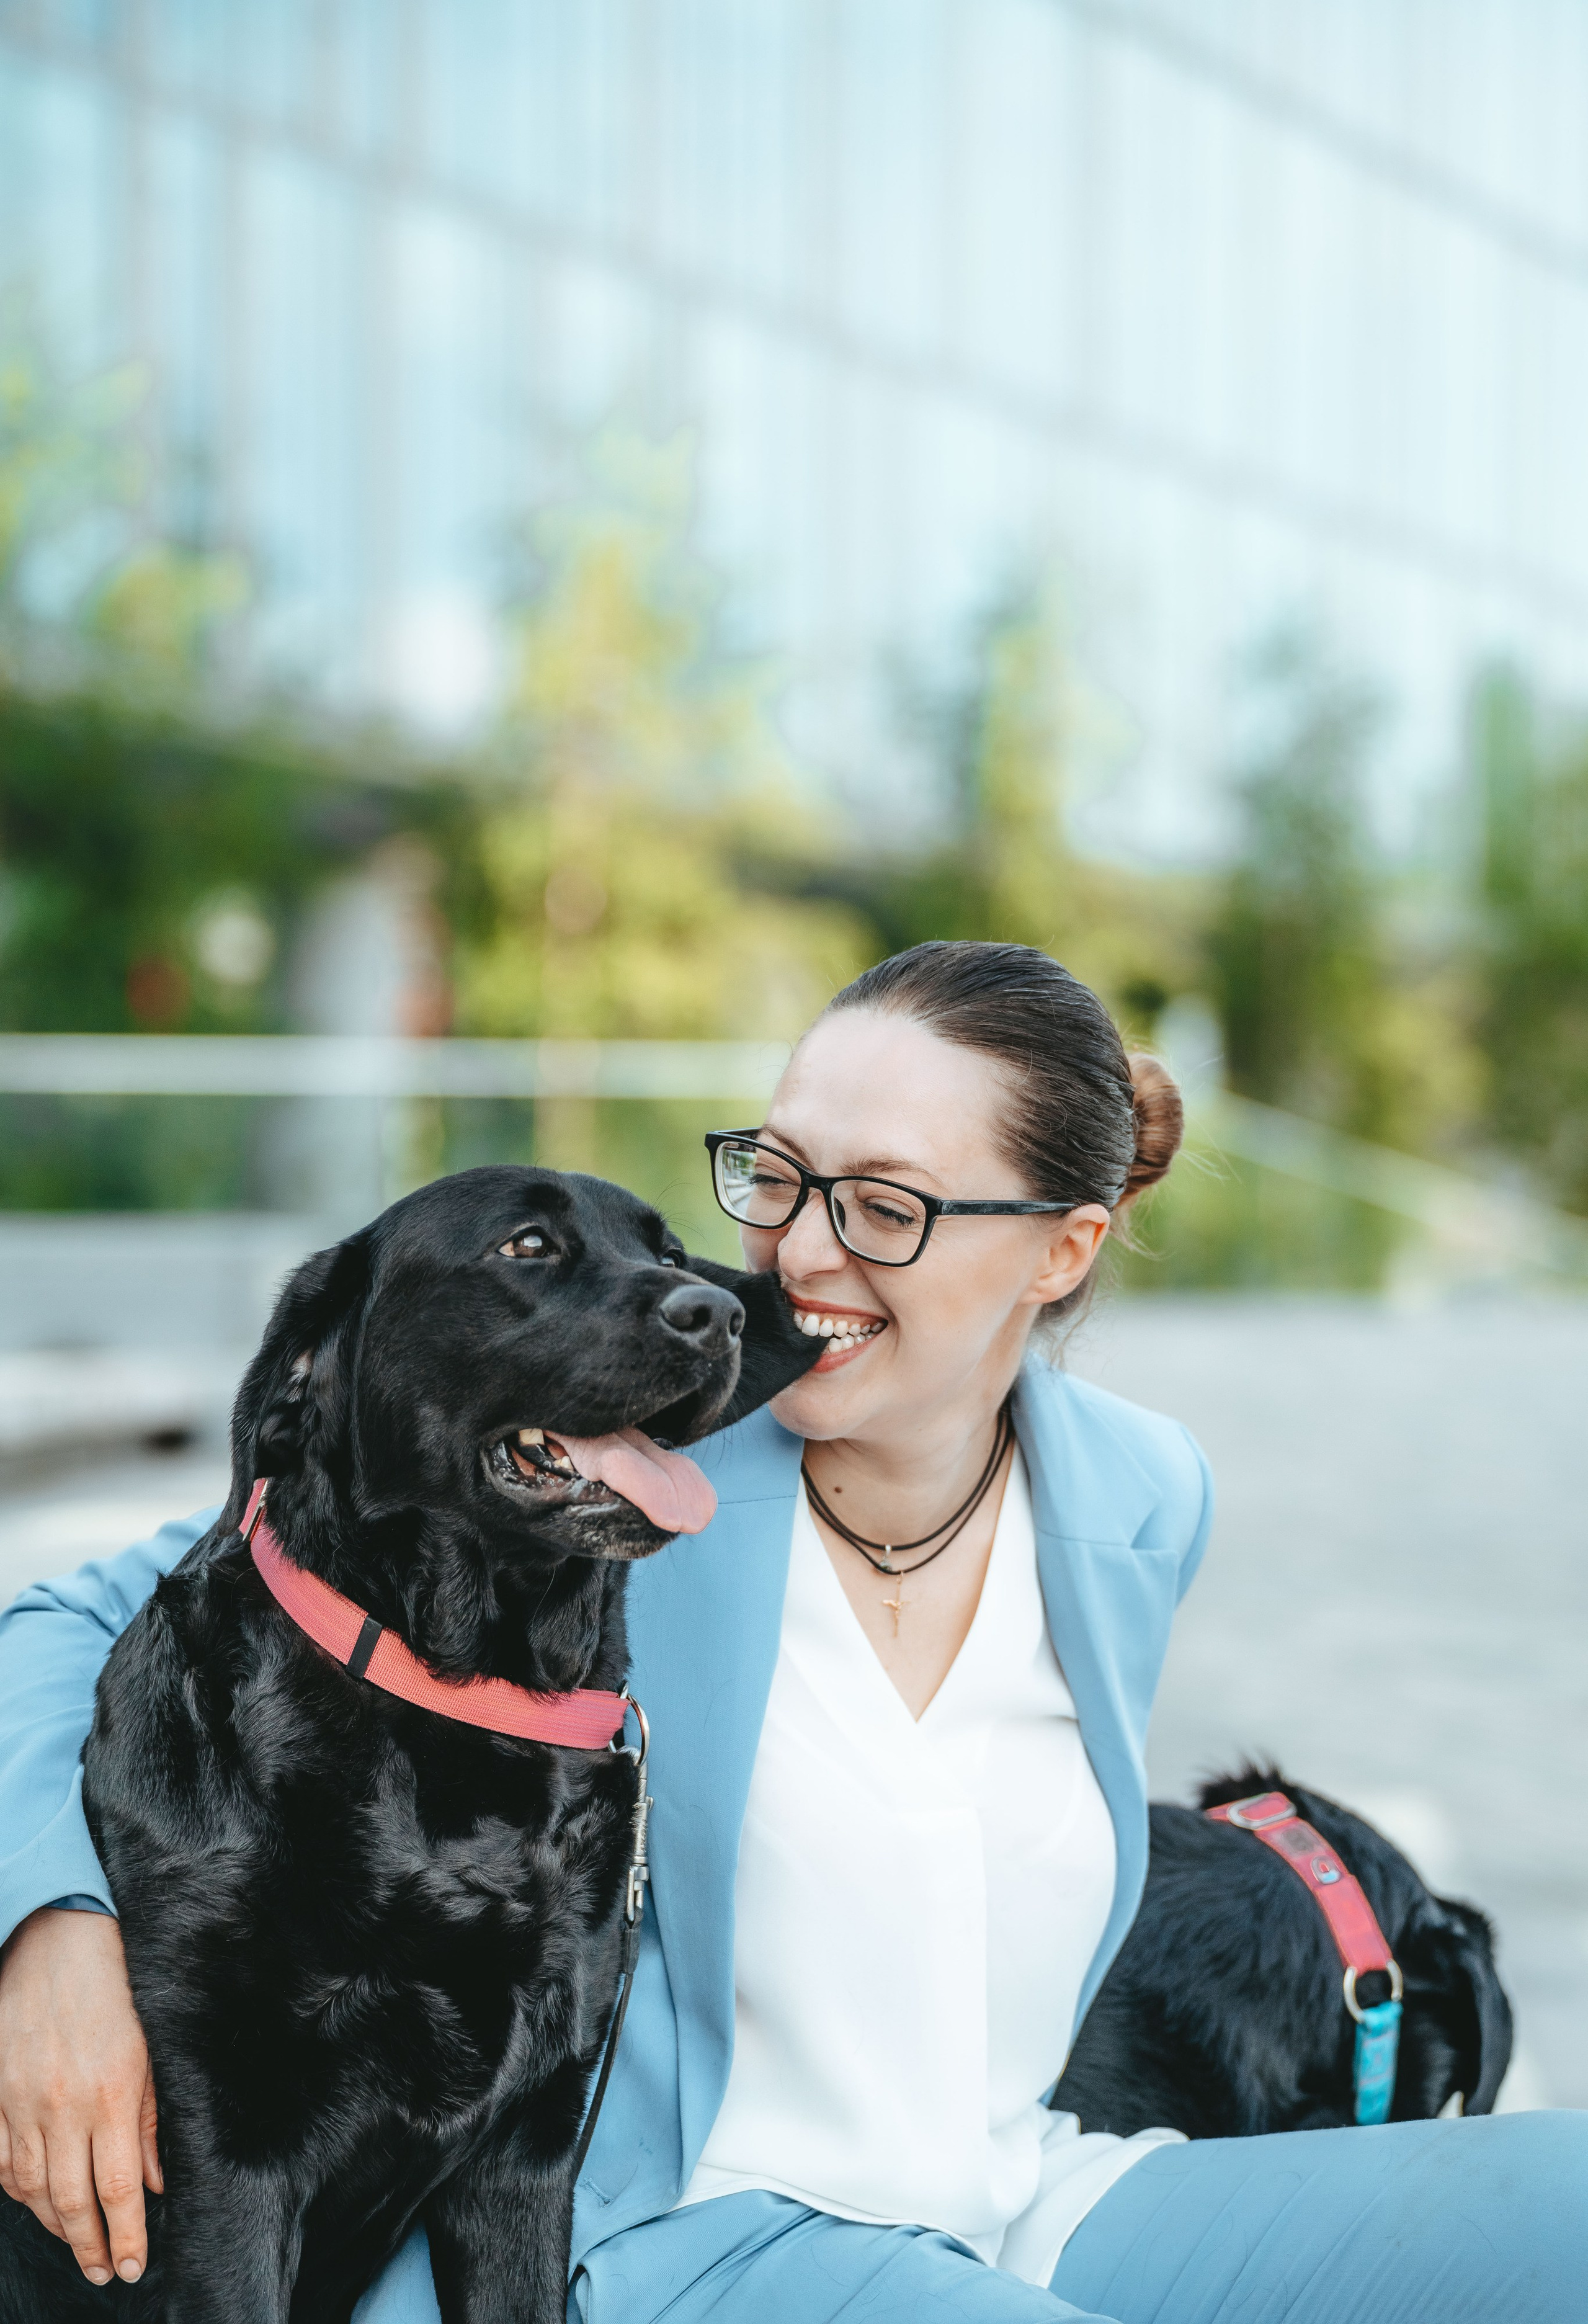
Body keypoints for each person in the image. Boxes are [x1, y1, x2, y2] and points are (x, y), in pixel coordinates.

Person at [0, 941, 1580, 2324]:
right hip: (680, 2236)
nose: (800, 1252)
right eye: (777, 1174)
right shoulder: (612, 1489)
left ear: (1060, 1247)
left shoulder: (1138, 1498)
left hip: (1015, 2191)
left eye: (884, 1204)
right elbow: (77, 1610)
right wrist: (53, 1929)